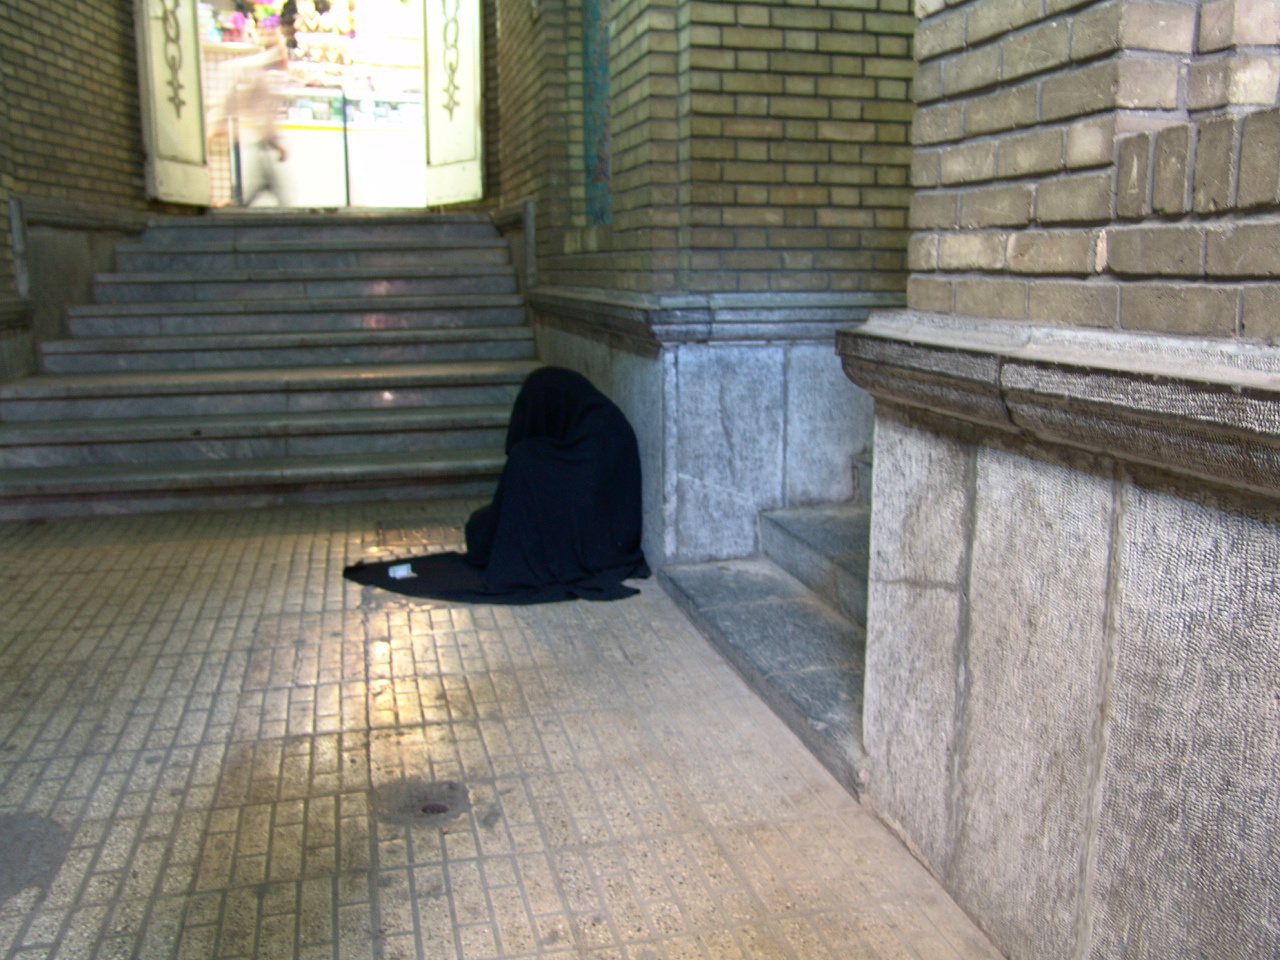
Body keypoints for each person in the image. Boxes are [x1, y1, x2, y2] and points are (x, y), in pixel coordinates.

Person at [345, 367, 650, 603]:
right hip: (606, 541)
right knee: (483, 523)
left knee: (491, 522)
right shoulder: (602, 422)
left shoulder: (545, 455)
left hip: (589, 544)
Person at [207, 40, 291, 206]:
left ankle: (239, 208)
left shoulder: (253, 72)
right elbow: (262, 115)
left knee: (258, 189)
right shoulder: (255, 74)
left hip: (255, 142)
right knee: (267, 188)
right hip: (256, 143)